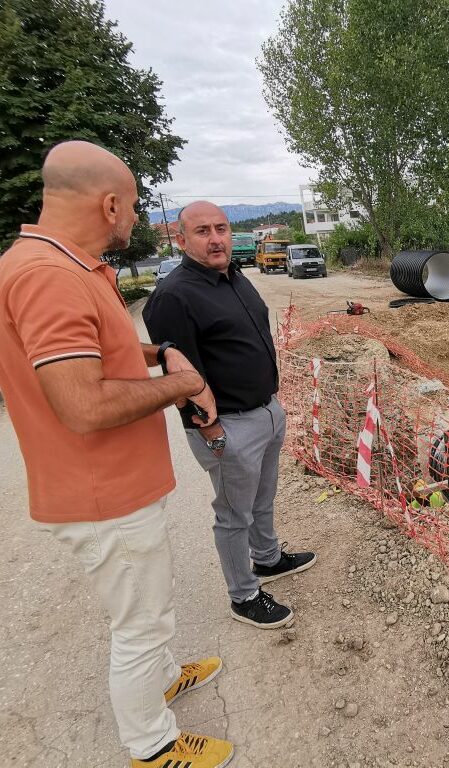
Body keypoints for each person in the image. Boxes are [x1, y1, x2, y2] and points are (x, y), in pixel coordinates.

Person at [0, 142, 234, 768]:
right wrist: (184, 383)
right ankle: (151, 743)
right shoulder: (47, 276)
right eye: (132, 207)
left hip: (118, 484)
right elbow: (82, 405)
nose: (136, 220)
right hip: (103, 493)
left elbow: (93, 356)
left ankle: (162, 678)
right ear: (108, 204)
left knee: (148, 606)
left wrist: (156, 356)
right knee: (140, 621)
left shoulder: (61, 264)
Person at [143, 201, 316, 630]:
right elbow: (182, 376)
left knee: (262, 498)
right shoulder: (175, 295)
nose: (216, 238)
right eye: (202, 231)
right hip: (230, 425)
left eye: (221, 228)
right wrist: (213, 432)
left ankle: (268, 558)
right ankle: (243, 595)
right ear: (181, 240)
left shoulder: (236, 277)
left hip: (266, 411)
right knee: (234, 513)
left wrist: (274, 407)